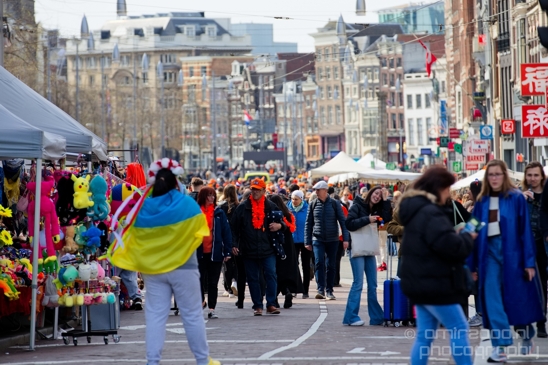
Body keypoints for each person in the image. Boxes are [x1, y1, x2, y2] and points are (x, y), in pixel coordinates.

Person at [109, 159, 219, 365]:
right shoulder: (186, 203)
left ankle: (153, 362)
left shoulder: (143, 206)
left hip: (154, 269)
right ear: (176, 181)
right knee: (192, 315)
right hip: (185, 267)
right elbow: (203, 233)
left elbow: (134, 238)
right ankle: (203, 361)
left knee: (155, 317)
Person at [399, 166, 475, 365]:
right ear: (439, 188)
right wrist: (467, 237)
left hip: (420, 281)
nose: (449, 193)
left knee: (425, 334)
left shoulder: (417, 210)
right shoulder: (431, 213)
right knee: (459, 327)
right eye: (448, 188)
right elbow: (452, 247)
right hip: (435, 284)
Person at [470, 160, 544, 361]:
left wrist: (529, 261)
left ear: (504, 175)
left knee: (519, 298)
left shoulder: (516, 199)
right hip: (489, 253)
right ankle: (500, 346)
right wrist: (470, 264)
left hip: (513, 253)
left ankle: (527, 335)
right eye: (490, 174)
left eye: (497, 174)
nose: (494, 178)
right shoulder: (481, 202)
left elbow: (525, 231)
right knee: (492, 300)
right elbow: (472, 232)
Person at [231, 178, 286, 316]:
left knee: (271, 275)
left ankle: (271, 304)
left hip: (268, 249)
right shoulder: (243, 207)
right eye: (253, 189)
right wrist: (234, 244)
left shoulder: (271, 206)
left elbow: (285, 223)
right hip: (248, 249)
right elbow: (233, 228)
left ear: (263, 191)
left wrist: (280, 226)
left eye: (257, 190)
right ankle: (258, 306)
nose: (254, 192)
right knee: (253, 278)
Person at [343, 186, 390, 327]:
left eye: (380, 196)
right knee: (358, 283)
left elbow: (388, 218)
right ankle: (351, 317)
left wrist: (386, 200)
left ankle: (376, 317)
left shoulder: (378, 209)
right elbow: (349, 224)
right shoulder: (357, 205)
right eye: (376, 193)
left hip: (369, 249)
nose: (377, 197)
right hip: (357, 248)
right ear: (370, 193)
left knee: (373, 284)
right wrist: (367, 219)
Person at [304, 181, 349, 300]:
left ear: (325, 190)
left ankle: (329, 290)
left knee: (331, 265)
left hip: (333, 239)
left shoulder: (335, 204)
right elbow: (308, 224)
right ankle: (320, 290)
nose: (316, 192)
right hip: (317, 239)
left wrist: (345, 239)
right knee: (319, 263)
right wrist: (307, 241)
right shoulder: (313, 204)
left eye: (318, 190)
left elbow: (342, 222)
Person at [196, 186, 232, 319]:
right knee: (198, 281)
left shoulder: (219, 213)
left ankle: (212, 308)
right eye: (209, 195)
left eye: (213, 195)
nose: (212, 198)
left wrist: (227, 251)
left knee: (213, 282)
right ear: (203, 197)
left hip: (215, 252)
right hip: (199, 253)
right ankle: (201, 301)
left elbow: (226, 232)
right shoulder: (196, 212)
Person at [522, 162, 547, 338]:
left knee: (542, 284)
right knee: (525, 283)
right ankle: (524, 321)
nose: (533, 179)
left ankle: (541, 323)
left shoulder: (547, 194)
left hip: (543, 245)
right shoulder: (520, 196)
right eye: (529, 175)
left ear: (542, 177)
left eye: (536, 175)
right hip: (526, 245)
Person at [269, 194, 304, 308]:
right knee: (287, 272)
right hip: (289, 246)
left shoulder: (273, 215)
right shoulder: (288, 214)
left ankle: (274, 298)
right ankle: (287, 291)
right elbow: (292, 228)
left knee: (275, 272)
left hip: (276, 246)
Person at [287, 190, 312, 299]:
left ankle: (305, 290)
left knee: (306, 265)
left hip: (305, 240)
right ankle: (295, 288)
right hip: (292, 241)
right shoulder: (287, 209)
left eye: (296, 199)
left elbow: (311, 224)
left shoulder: (307, 209)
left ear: (301, 199)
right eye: (292, 199)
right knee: (293, 265)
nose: (294, 201)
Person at [218, 185, 240, 300]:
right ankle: (235, 282)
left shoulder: (221, 207)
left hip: (224, 238)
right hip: (236, 239)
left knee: (226, 264)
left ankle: (228, 289)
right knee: (236, 264)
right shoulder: (238, 206)